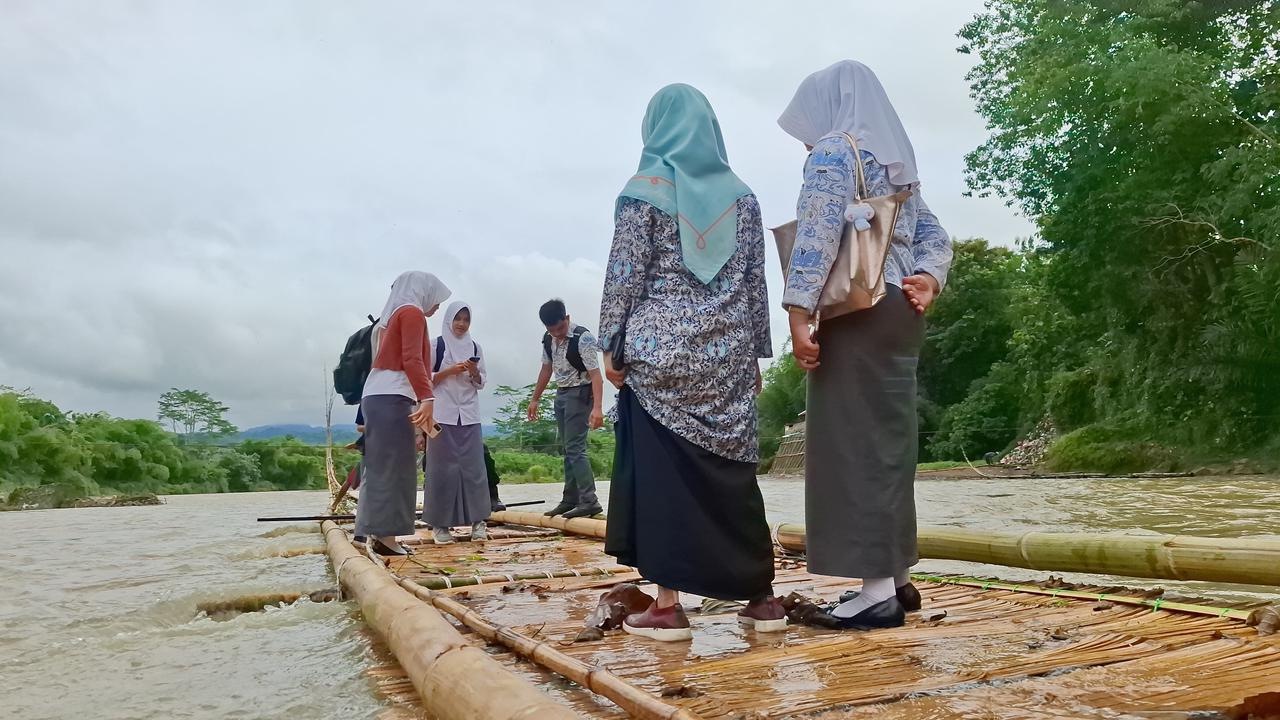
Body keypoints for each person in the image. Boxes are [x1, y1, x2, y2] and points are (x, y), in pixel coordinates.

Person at [600, 83, 784, 642]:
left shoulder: (644, 192)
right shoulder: (744, 198)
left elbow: (625, 274)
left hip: (658, 358)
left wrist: (611, 341)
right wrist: (754, 354)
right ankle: (762, 600)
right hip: (726, 356)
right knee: (732, 474)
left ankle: (667, 606)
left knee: (665, 480)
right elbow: (756, 284)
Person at [778, 61, 954, 629]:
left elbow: (817, 236)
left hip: (857, 313)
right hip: (902, 311)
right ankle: (898, 579)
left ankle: (875, 593)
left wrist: (799, 311)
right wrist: (928, 275)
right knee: (887, 448)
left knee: (852, 451)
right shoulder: (896, 163)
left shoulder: (834, 152)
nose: (804, 136)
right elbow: (933, 235)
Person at [356, 271, 451, 556]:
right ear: (424, 291)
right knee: (397, 470)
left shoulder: (392, 318)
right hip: (392, 396)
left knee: (379, 467)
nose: (436, 306)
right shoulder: (411, 313)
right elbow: (411, 359)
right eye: (436, 299)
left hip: (377, 396)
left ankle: (364, 533)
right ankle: (386, 538)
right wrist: (427, 397)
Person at [422, 301, 491, 544]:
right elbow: (423, 380)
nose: (461, 324)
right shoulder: (435, 345)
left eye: (466, 319)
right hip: (442, 414)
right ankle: (440, 526)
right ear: (449, 320)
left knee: (474, 469)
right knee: (441, 470)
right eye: (458, 319)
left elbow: (481, 382)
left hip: (469, 415)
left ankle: (479, 522)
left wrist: (472, 371)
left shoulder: (475, 346)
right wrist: (450, 371)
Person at [528, 299, 604, 519]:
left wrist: (597, 408)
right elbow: (546, 369)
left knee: (575, 448)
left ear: (567, 318)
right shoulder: (548, 339)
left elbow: (596, 376)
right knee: (567, 449)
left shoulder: (583, 338)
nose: (558, 334)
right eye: (552, 330)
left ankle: (590, 501)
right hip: (561, 394)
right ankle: (570, 500)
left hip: (580, 394)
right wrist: (535, 399)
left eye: (560, 328)